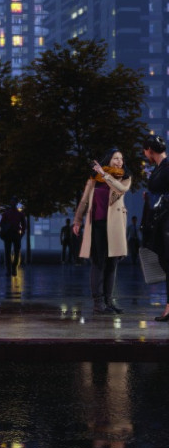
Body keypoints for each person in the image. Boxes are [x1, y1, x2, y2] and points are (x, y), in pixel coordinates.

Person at [73, 148, 131, 315]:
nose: (119, 161)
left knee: (112, 263)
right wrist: (77, 220)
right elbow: (84, 200)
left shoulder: (125, 177)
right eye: (115, 158)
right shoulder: (94, 179)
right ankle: (98, 303)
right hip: (98, 224)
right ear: (108, 160)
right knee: (99, 262)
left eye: (121, 158)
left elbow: (120, 189)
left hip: (115, 226)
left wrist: (105, 175)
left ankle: (108, 301)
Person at [142, 134, 169, 322]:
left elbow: (156, 188)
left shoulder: (166, 167)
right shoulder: (161, 167)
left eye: (145, 152)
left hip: (167, 220)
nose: (145, 155)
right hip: (162, 219)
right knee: (165, 262)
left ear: (150, 151)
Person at [0, 200, 27, 276]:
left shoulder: (8, 213)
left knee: (11, 252)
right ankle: (12, 268)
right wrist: (22, 232)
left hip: (12, 234)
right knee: (13, 252)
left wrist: (22, 232)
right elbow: (24, 224)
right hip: (13, 234)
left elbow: (1, 223)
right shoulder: (18, 214)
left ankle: (11, 269)